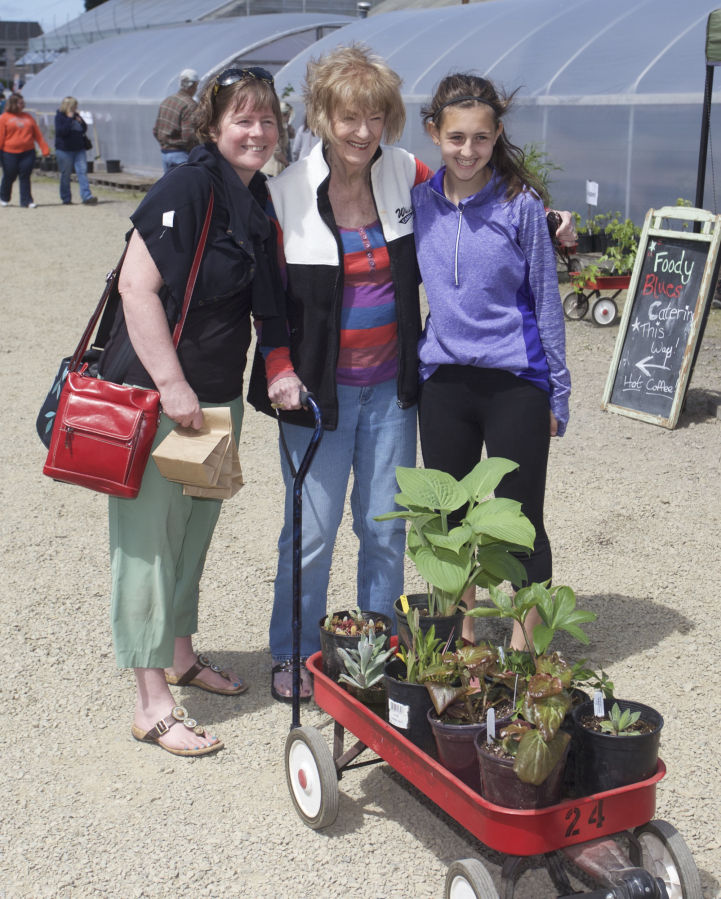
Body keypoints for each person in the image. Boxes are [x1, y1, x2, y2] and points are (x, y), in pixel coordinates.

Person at [248, 46, 576, 701]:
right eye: (348, 116)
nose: (362, 130)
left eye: (375, 116)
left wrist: (551, 221)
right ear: (321, 117)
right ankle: (293, 651)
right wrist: (277, 366)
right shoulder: (286, 193)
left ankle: (379, 647)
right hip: (322, 394)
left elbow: (485, 204)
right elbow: (265, 295)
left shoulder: (403, 175)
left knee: (386, 526)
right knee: (311, 531)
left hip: (397, 388)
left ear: (394, 122)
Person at [99, 66, 288, 755]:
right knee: (147, 545)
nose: (257, 132)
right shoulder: (187, 185)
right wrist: (173, 386)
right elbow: (135, 288)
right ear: (212, 128)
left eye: (267, 120)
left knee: (190, 536)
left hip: (215, 398)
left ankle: (179, 653)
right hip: (159, 397)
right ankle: (151, 702)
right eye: (242, 119)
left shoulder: (254, 194)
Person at [412, 74, 572, 649]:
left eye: (481, 138)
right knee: (449, 523)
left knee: (520, 519)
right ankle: (465, 641)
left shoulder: (520, 205)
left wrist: (558, 389)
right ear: (434, 133)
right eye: (455, 137)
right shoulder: (419, 202)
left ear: (497, 134)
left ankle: (529, 650)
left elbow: (546, 299)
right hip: (445, 385)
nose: (467, 151)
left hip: (515, 384)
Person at [0, 93, 49, 208]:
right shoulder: (4, 117)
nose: (23, 104)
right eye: (21, 103)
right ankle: (3, 197)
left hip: (27, 152)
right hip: (9, 153)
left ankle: (26, 201)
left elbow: (37, 134)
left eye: (23, 102)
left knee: (25, 176)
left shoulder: (28, 117)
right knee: (9, 175)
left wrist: (45, 149)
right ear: (14, 104)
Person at [153, 68, 200, 173]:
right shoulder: (190, 105)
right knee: (183, 187)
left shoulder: (167, 101)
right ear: (195, 85)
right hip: (181, 155)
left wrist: (165, 144)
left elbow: (156, 130)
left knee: (170, 187)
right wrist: (196, 154)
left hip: (165, 153)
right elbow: (189, 137)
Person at [54, 96, 97, 206]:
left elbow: (83, 129)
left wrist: (81, 122)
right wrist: (69, 119)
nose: (76, 107)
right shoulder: (60, 116)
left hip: (79, 149)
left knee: (82, 172)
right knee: (66, 174)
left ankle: (86, 196)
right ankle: (66, 197)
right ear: (69, 106)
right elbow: (61, 132)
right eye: (74, 106)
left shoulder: (76, 115)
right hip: (64, 150)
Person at [261, 100, 294, 176]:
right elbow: (276, 151)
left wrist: (290, 130)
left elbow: (289, 138)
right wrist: (287, 164)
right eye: (287, 115)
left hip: (271, 168)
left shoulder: (282, 127)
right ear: (281, 115)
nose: (288, 118)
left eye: (289, 115)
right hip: (271, 169)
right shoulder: (276, 128)